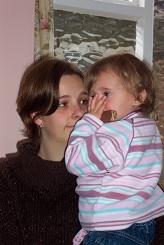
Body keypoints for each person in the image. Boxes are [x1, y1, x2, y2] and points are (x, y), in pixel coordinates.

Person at [65, 53, 164, 245]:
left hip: (114, 228)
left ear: (139, 96)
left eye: (106, 94)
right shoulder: (146, 127)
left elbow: (74, 161)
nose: (96, 104)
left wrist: (89, 121)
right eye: (93, 96)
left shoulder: (119, 131)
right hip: (139, 222)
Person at [0, 56, 89, 244]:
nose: (80, 112)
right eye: (64, 104)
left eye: (83, 101)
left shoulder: (109, 169)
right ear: (38, 116)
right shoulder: (5, 179)